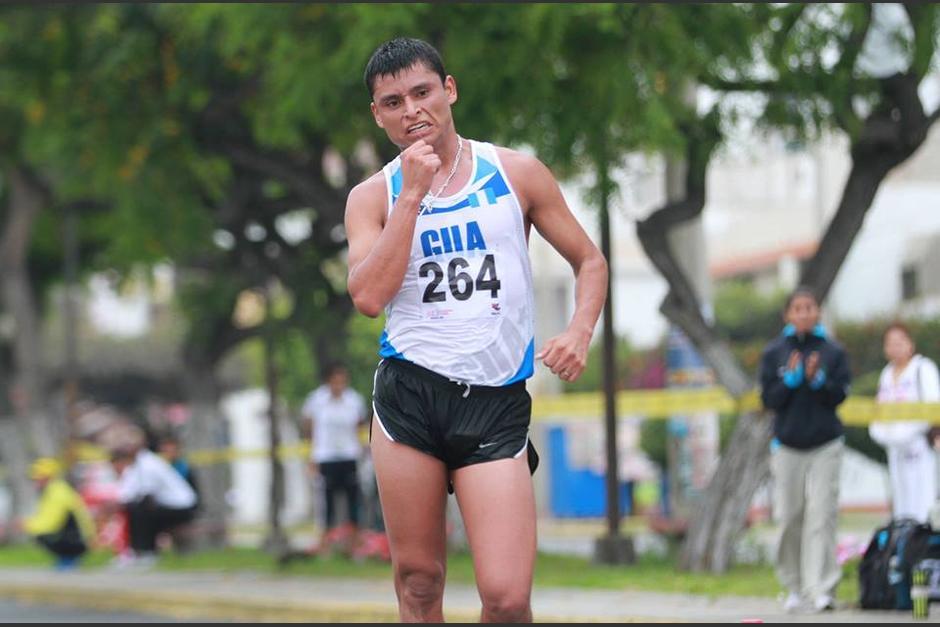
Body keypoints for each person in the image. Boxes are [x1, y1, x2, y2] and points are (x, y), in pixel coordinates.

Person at [345, 38, 607, 622]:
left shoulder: (514, 172)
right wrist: (412, 194)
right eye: (393, 102)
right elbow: (366, 296)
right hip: (409, 399)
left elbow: (589, 261)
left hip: (493, 403)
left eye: (422, 92)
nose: (411, 110)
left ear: (449, 90)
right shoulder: (374, 197)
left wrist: (579, 331)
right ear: (377, 114)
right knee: (419, 582)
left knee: (508, 598)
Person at [760, 286, 851, 614]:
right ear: (788, 314)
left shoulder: (832, 351)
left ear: (818, 312)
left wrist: (818, 381)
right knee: (790, 517)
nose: (804, 313)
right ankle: (794, 587)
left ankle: (823, 588)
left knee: (822, 515)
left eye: (809, 307)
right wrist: (791, 381)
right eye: (797, 308)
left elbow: (840, 395)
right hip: (787, 446)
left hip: (826, 444)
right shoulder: (775, 353)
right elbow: (768, 400)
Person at [869, 322, 940, 523]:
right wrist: (882, 434)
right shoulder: (886, 374)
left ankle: (924, 545)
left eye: (900, 342)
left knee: (923, 500)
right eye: (890, 343)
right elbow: (879, 409)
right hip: (895, 448)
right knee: (901, 502)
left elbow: (932, 407)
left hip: (918, 445)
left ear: (911, 344)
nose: (895, 347)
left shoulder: (922, 368)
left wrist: (908, 431)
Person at [300, 363, 369, 554]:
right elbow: (310, 428)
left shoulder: (354, 400)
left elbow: (359, 427)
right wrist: (311, 456)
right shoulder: (316, 400)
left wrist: (363, 451)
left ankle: (353, 544)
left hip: (349, 455)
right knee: (326, 503)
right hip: (325, 457)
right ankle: (325, 545)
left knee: (353, 501)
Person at [108, 432, 198, 568]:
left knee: (141, 511)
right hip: (168, 505)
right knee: (136, 509)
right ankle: (135, 551)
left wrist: (122, 502)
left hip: (181, 506)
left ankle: (146, 552)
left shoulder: (148, 463)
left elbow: (146, 492)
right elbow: (128, 493)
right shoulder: (137, 464)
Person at [20, 457, 96, 570]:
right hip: (79, 538)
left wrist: (25, 525)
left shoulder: (57, 493)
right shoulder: (56, 489)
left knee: (42, 535)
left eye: (37, 478)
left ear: (47, 477)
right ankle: (66, 558)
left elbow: (50, 524)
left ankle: (69, 558)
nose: (35, 482)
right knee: (42, 532)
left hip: (80, 540)